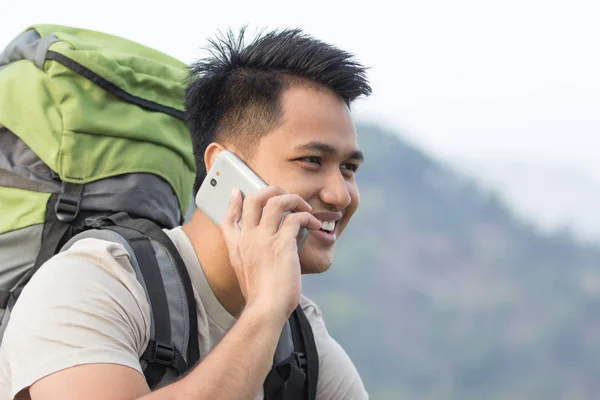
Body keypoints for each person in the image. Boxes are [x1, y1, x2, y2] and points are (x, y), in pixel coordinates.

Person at [0, 27, 372, 399]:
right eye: (311, 160)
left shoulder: (302, 343)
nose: (340, 194)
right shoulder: (94, 282)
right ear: (222, 169)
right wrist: (265, 310)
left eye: (349, 168)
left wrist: (271, 310)